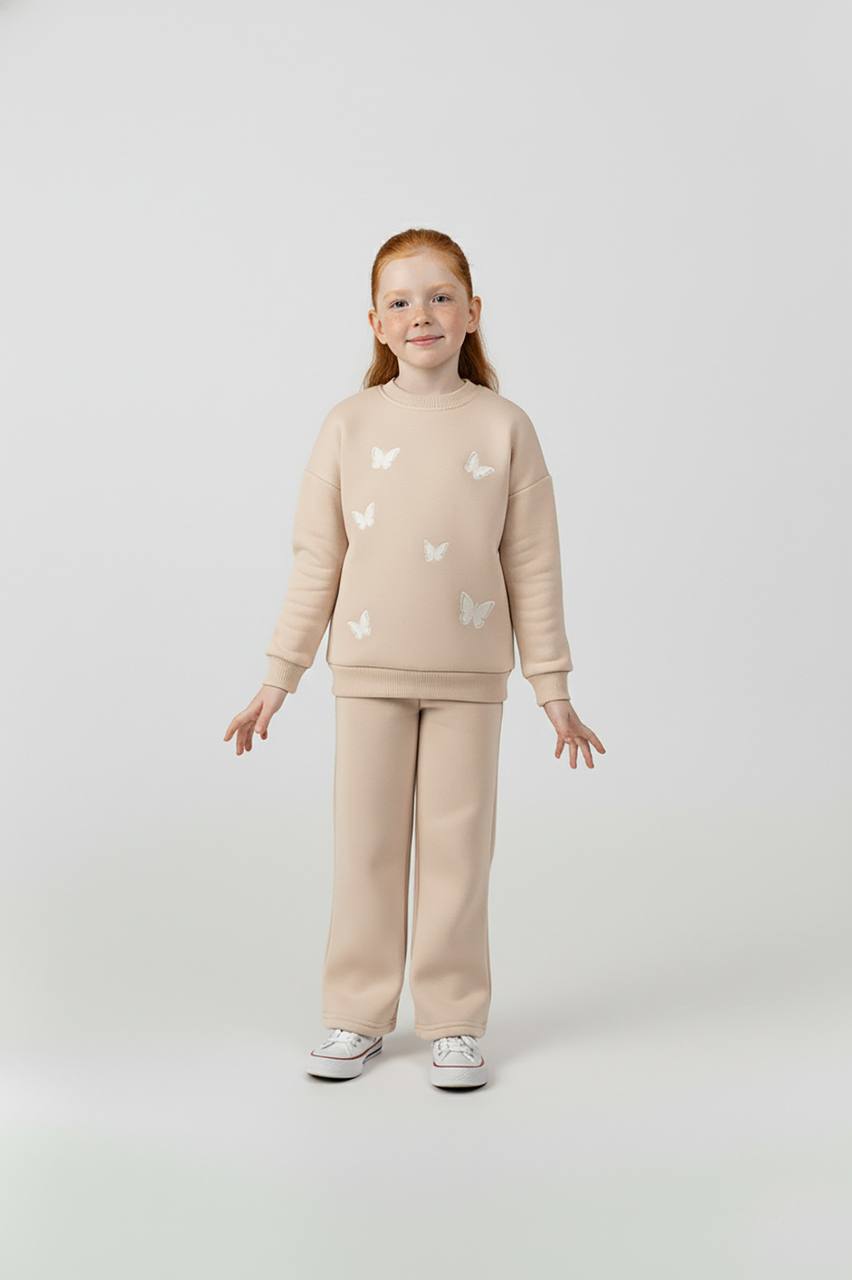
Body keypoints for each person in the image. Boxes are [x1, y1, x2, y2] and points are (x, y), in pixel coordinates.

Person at [224, 227, 606, 1090]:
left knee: (458, 852)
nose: (420, 314)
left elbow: (533, 563)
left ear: (473, 312)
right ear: (375, 322)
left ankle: (453, 1021)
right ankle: (356, 1014)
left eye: (439, 297)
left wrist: (552, 687)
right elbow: (317, 559)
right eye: (399, 301)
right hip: (367, 675)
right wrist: (279, 678)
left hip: (471, 680)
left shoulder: (506, 427)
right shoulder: (349, 424)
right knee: (365, 848)